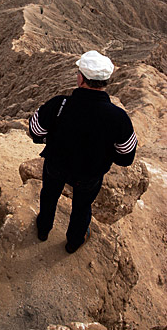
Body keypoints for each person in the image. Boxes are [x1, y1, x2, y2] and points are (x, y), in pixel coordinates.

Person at [29, 50, 137, 253]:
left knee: (49, 195)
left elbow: (35, 130)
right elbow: (126, 156)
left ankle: (43, 229)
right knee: (82, 206)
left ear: (81, 79)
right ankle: (74, 242)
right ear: (105, 82)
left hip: (56, 165)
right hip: (90, 174)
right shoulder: (118, 118)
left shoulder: (60, 104)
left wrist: (50, 138)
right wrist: (104, 154)